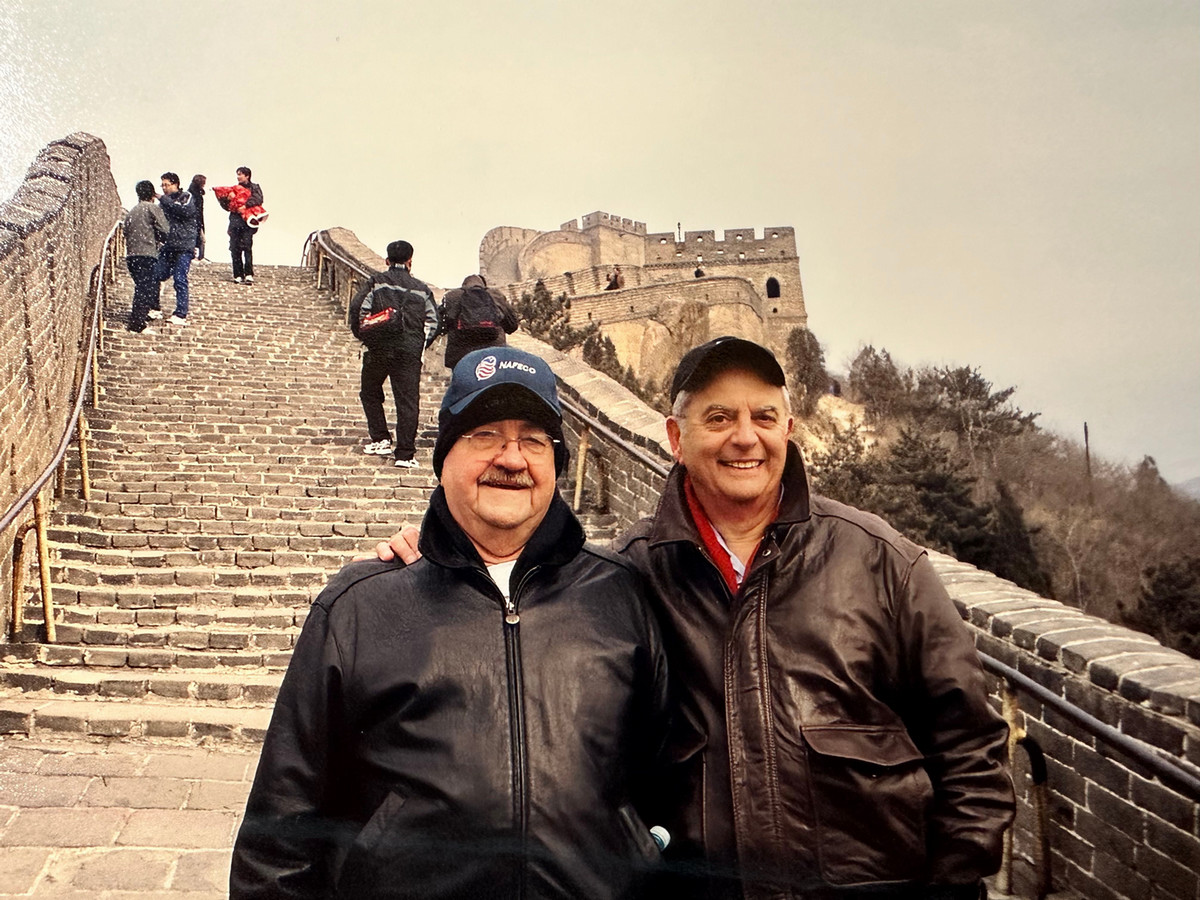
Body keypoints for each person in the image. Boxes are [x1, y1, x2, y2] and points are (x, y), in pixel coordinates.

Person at [378, 337, 1015, 899]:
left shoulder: (880, 561)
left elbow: (971, 749)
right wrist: (441, 561)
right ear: (676, 438)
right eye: (719, 417)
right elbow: (518, 621)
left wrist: (951, 881)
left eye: (764, 416)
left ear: (788, 428)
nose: (746, 437)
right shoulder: (623, 576)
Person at [230, 346, 669, 900]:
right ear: (444, 458)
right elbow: (280, 834)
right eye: (485, 435)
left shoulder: (620, 594)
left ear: (557, 464)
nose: (512, 458)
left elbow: (665, 784)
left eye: (533, 439)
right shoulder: (361, 606)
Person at [348, 240, 439, 468]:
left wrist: (365, 337)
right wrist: (419, 345)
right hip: (409, 350)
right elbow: (434, 322)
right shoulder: (421, 289)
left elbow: (358, 309)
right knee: (408, 402)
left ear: (387, 261)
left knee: (370, 392)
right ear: (410, 262)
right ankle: (405, 455)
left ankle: (380, 438)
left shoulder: (376, 282)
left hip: (379, 347)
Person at [437, 274, 519, 369]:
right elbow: (512, 325)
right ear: (484, 285)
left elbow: (440, 325)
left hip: (461, 355)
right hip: (494, 353)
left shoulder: (451, 296)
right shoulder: (496, 295)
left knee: (462, 382)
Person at [124, 179, 168, 334]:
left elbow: (125, 233)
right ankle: (137, 324)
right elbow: (165, 229)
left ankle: (139, 318)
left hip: (131, 255)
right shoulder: (152, 208)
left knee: (141, 287)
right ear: (152, 194)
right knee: (145, 288)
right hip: (147, 254)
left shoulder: (131, 212)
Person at [155, 172, 199, 326]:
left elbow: (184, 211)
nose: (164, 188)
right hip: (168, 246)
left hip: (184, 246)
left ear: (175, 184)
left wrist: (162, 198)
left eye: (166, 184)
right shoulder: (164, 203)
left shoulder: (186, 196)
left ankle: (181, 313)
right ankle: (154, 307)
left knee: (180, 279)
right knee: (156, 274)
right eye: (162, 185)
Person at [223, 165, 262, 283]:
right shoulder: (233, 189)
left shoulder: (255, 187)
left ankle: (249, 273)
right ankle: (237, 274)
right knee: (235, 248)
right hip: (235, 221)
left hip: (247, 222)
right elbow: (225, 206)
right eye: (237, 174)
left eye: (240, 174)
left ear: (247, 176)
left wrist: (245, 205)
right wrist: (228, 199)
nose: (238, 177)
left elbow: (258, 199)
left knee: (247, 247)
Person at [187, 174, 207, 260]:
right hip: (197, 219)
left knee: (197, 238)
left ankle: (196, 256)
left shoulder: (191, 193)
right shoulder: (196, 195)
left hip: (195, 219)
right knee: (200, 238)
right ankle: (200, 257)